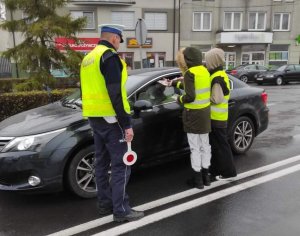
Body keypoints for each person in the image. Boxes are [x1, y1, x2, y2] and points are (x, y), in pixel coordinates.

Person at [80, 24, 144, 222]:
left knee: (101, 163)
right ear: (115, 38)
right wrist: (126, 124)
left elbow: (85, 90)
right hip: (112, 119)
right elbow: (115, 93)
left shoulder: (88, 58)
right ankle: (121, 210)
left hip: (94, 118)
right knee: (121, 165)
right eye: (119, 40)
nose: (119, 44)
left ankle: (105, 204)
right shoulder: (109, 57)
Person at [162, 47, 212, 188]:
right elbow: (192, 87)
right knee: (205, 146)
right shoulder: (204, 71)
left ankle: (198, 180)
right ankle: (206, 178)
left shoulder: (190, 73)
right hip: (205, 114)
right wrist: (172, 83)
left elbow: (190, 96)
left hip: (193, 115)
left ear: (187, 59)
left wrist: (178, 99)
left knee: (195, 148)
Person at [204, 48, 237, 180]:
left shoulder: (217, 78)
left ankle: (229, 172)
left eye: (207, 60)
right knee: (219, 146)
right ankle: (217, 171)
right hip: (219, 118)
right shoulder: (219, 74)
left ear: (213, 61)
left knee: (221, 147)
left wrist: (201, 99)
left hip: (216, 119)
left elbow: (216, 99)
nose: (206, 62)